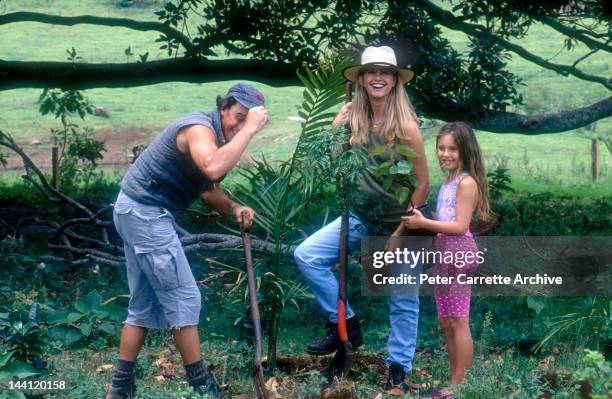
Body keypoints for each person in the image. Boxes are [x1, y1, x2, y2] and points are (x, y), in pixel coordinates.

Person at [106, 83, 268, 399]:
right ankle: (202, 388)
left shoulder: (216, 137)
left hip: (133, 209)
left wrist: (234, 207)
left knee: (144, 304)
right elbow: (212, 166)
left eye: (248, 120)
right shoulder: (198, 129)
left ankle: (119, 389)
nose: (240, 124)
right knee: (185, 298)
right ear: (223, 108)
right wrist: (250, 130)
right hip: (145, 213)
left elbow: (207, 187)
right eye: (238, 116)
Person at [293, 46, 430, 392]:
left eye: (385, 72)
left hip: (405, 225)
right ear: (363, 79)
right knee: (306, 254)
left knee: (402, 299)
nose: (378, 78)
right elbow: (337, 163)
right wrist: (337, 128)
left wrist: (401, 230)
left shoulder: (406, 127)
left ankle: (398, 368)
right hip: (361, 217)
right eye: (371, 72)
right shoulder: (354, 118)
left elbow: (423, 185)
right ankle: (347, 323)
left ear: (396, 80)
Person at [402, 122, 493, 399]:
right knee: (447, 321)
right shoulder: (449, 181)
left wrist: (422, 222)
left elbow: (459, 225)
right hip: (444, 252)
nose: (445, 153)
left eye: (452, 148)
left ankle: (460, 386)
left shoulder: (466, 183)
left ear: (464, 150)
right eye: (441, 148)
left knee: (459, 320)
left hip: (458, 252)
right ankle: (453, 382)